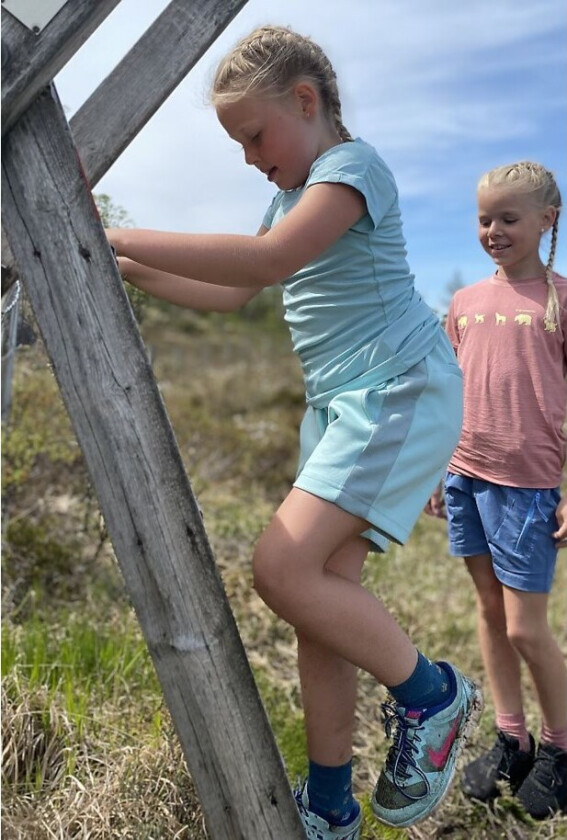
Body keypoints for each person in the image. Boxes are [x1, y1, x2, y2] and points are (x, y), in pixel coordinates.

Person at [106, 25, 482, 837]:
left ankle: (432, 697)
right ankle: (329, 804)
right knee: (321, 603)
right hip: (340, 406)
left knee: (280, 567)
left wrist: (108, 232)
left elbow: (266, 262)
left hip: (394, 389)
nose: (248, 156)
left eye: (254, 134)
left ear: (305, 101)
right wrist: (123, 268)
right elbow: (230, 293)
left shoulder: (351, 169)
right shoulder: (286, 197)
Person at [428, 161, 567, 820]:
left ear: (545, 220)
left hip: (529, 488)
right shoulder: (461, 304)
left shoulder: (559, 302)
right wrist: (435, 466)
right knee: (487, 612)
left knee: (526, 630)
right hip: (464, 475)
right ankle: (510, 738)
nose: (492, 230)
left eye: (507, 218)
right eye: (484, 218)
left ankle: (560, 749)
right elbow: (449, 391)